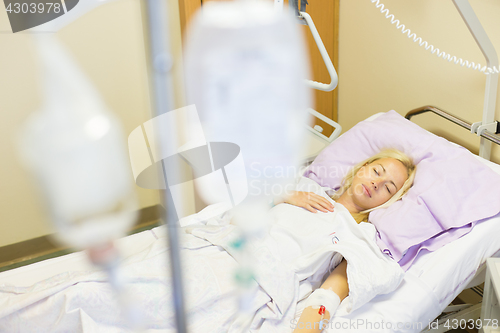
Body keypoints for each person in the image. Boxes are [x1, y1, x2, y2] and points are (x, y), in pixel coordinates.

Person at [273, 149, 416, 332]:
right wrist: (284, 196)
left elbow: (326, 298)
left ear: (390, 200)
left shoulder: (359, 236)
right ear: (362, 168)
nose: (376, 183)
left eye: (388, 188)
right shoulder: (307, 188)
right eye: (377, 172)